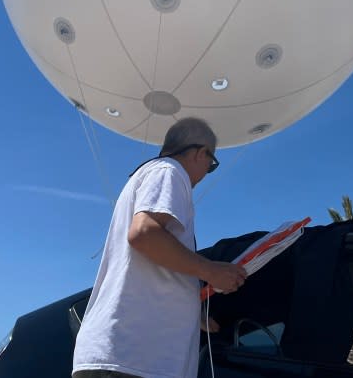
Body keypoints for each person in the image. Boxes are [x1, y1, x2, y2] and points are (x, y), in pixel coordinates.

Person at [73, 117, 247, 378]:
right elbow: (144, 234)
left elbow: (149, 257)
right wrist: (210, 271)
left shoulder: (152, 174)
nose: (206, 173)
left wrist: (192, 311)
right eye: (211, 166)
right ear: (201, 153)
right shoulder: (169, 171)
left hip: (125, 359)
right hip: (133, 361)